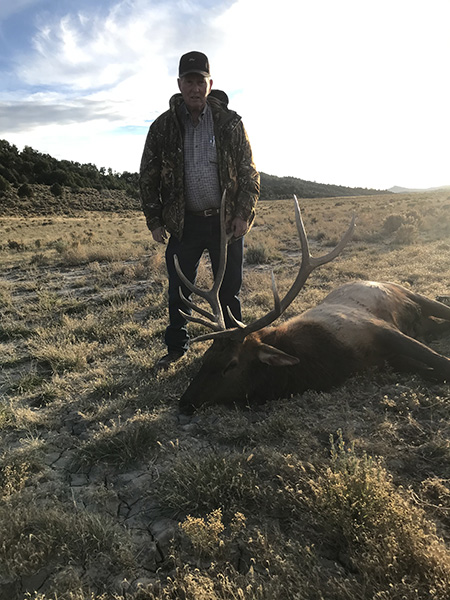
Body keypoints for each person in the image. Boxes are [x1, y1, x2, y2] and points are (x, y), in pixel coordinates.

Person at [139, 50, 260, 370]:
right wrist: (154, 219)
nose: (195, 88)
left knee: (229, 289)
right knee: (179, 289)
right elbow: (147, 176)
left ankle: (232, 345)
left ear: (210, 84)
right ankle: (176, 348)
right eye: (189, 81)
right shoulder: (162, 127)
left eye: (200, 81)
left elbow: (249, 173)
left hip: (225, 225)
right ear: (179, 84)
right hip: (183, 225)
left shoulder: (230, 124)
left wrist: (243, 214)